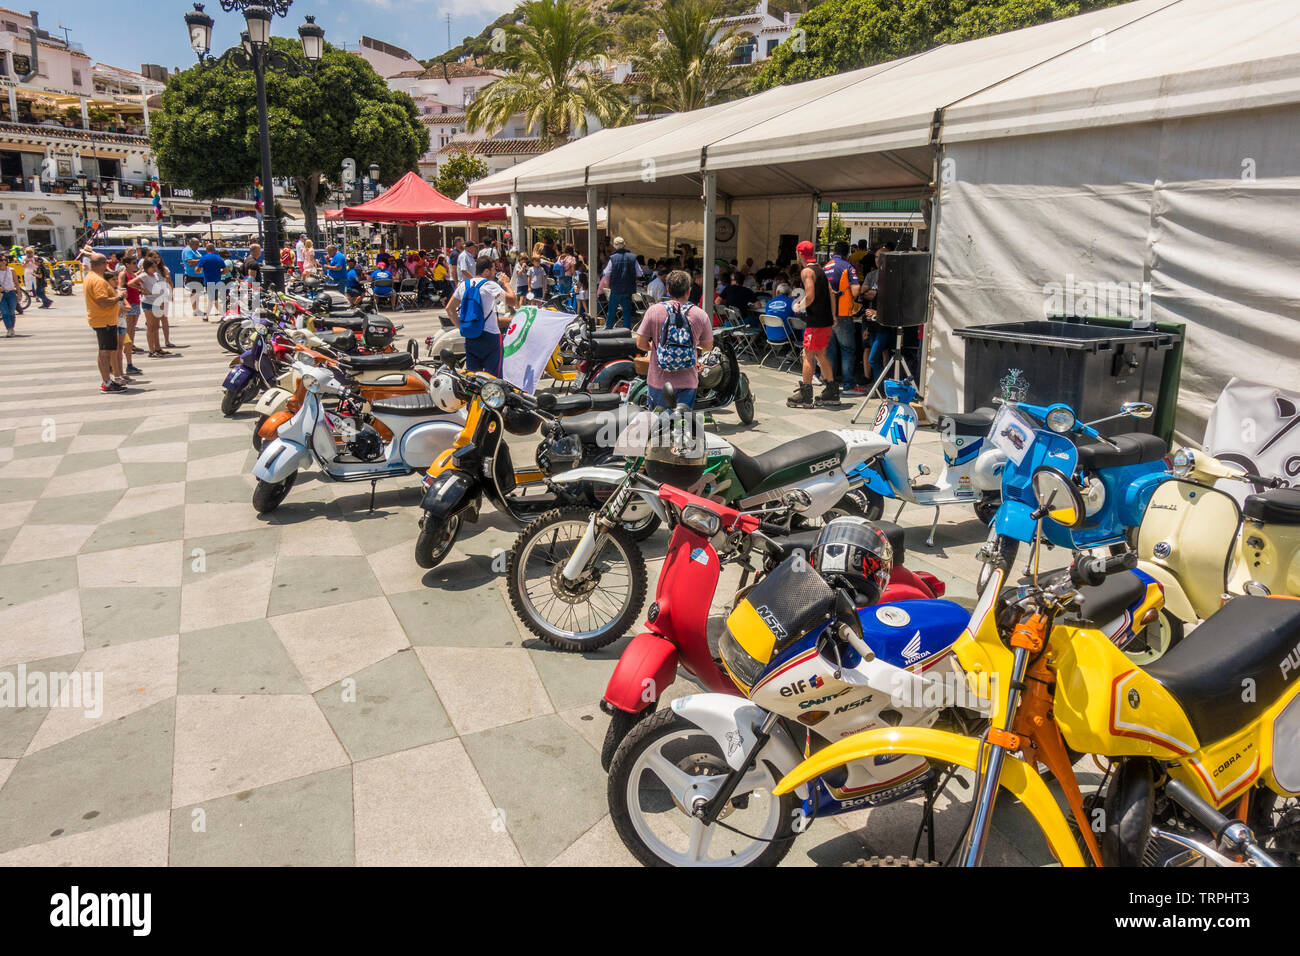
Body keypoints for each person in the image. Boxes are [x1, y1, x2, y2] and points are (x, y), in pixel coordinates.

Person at [635, 269, 713, 409]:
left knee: (657, 425)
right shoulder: (700, 315)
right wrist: (691, 344)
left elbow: (640, 343)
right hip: (687, 381)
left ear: (668, 290)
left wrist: (653, 346)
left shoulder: (654, 311)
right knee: (681, 424)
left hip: (658, 381)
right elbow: (708, 346)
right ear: (688, 291)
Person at [446, 255, 517, 375]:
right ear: (486, 271)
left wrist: (461, 326)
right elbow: (512, 301)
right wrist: (506, 283)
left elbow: (449, 309)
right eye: (494, 269)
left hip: (471, 336)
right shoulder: (489, 285)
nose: (495, 272)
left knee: (473, 379)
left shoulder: (464, 285)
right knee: (494, 378)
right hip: (490, 337)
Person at [788, 240, 837, 407]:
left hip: (815, 321)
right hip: (825, 320)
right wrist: (833, 315)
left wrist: (798, 306)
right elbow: (831, 292)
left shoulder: (807, 271)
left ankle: (806, 393)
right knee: (821, 354)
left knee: (807, 354)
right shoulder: (820, 270)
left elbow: (809, 296)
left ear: (800, 254)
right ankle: (832, 390)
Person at [824, 240, 862, 394]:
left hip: (826, 315)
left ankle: (830, 384)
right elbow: (855, 290)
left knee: (830, 350)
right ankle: (849, 385)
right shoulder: (847, 267)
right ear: (847, 254)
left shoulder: (825, 267)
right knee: (847, 349)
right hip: (843, 313)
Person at [85, 253, 127, 392]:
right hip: (105, 320)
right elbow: (102, 301)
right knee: (106, 351)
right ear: (103, 264)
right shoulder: (98, 280)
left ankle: (107, 381)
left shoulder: (90, 277)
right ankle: (107, 383)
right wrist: (119, 297)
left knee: (104, 350)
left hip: (101, 319)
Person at [602, 236, 642, 330]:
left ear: (615, 246)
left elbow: (606, 273)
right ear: (624, 245)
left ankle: (609, 329)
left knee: (612, 310)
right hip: (628, 289)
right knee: (627, 311)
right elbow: (639, 273)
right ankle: (626, 330)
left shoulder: (613, 258)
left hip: (616, 288)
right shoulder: (633, 257)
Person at [137, 253, 170, 358]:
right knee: (151, 327)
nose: (155, 269)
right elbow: (132, 283)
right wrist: (142, 290)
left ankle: (158, 347)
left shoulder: (154, 275)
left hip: (157, 302)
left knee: (156, 327)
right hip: (148, 302)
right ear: (147, 267)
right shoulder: (144, 275)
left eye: (155, 267)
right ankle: (151, 350)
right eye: (153, 267)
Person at [118, 252, 144, 375]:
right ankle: (127, 349)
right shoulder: (123, 274)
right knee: (128, 328)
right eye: (134, 263)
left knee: (132, 327)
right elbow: (120, 287)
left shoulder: (133, 273)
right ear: (127, 264)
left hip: (135, 301)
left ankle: (131, 346)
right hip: (128, 303)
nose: (136, 265)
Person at [198, 242, 226, 321]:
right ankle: (207, 315)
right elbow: (225, 269)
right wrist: (220, 273)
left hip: (209, 281)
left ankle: (224, 315)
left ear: (206, 250)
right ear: (214, 249)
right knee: (212, 299)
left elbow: (197, 270)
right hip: (217, 281)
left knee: (213, 299)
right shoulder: (218, 258)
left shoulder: (204, 258)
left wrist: (201, 271)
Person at [181, 235, 202, 313]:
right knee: (194, 293)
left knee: (197, 293)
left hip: (198, 275)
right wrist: (202, 260)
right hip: (193, 275)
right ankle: (195, 310)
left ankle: (196, 309)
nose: (198, 247)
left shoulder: (194, 250)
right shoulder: (188, 250)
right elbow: (189, 262)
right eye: (196, 245)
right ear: (191, 243)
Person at [0, 254, 17, 336]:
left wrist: (19, 294)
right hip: (1, 294)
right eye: (2, 260)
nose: (3, 261)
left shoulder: (12, 270)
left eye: (4, 260)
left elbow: (16, 283)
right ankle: (9, 329)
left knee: (12, 312)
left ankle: (12, 328)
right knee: (5, 312)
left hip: (11, 293)